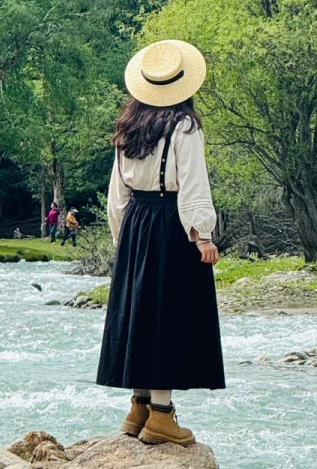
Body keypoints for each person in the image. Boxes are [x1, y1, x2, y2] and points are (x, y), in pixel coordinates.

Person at [96, 38, 224, 445]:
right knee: (167, 316)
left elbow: (118, 191)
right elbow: (193, 183)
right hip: (171, 224)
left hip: (136, 222)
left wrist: (123, 238)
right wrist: (202, 235)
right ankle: (162, 417)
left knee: (140, 312)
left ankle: (138, 408)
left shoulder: (127, 126)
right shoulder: (184, 126)